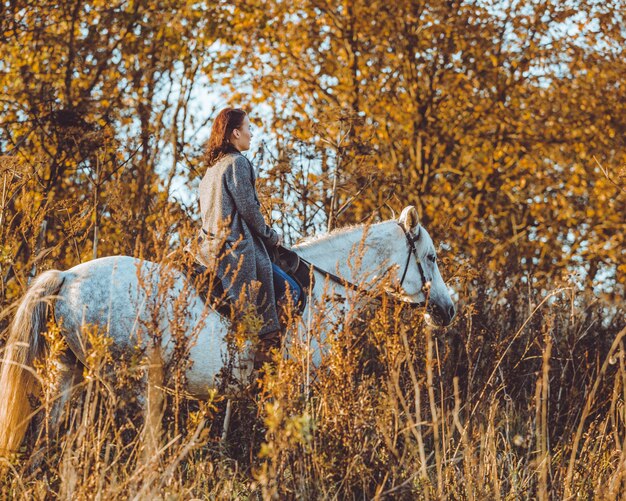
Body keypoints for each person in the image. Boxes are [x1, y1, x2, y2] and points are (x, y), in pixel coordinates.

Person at [193, 107, 286, 370]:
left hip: (209, 249)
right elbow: (249, 209)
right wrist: (270, 236)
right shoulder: (238, 163)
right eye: (248, 128)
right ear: (235, 133)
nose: (251, 134)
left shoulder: (210, 172)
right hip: (237, 250)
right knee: (279, 296)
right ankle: (265, 369)